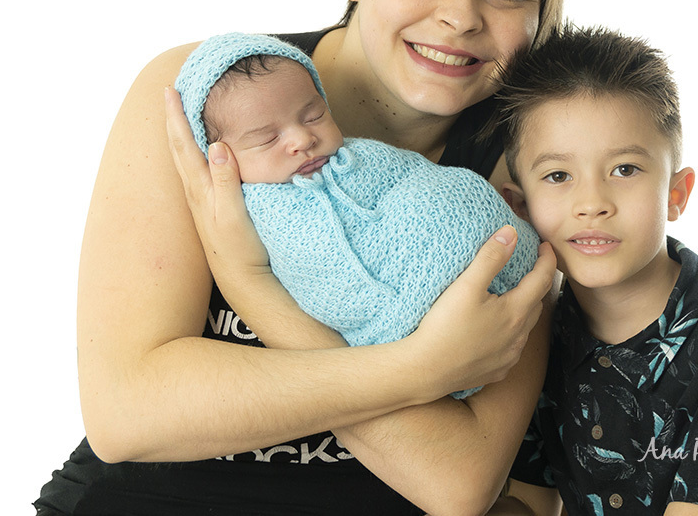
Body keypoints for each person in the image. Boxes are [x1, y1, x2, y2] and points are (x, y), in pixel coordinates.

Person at [34, 0, 568, 516]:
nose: (459, 17)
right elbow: (125, 411)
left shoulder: (526, 178)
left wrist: (252, 286)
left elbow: (456, 482)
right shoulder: (205, 93)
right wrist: (420, 370)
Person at [487, 27, 698, 516]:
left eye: (625, 169)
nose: (592, 203)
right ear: (519, 206)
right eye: (558, 176)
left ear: (675, 194)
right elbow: (531, 501)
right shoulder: (541, 333)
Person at [175, 31, 540, 397]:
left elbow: (418, 175)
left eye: (313, 116)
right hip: (410, 320)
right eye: (267, 139)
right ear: (218, 156)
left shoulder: (359, 155)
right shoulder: (259, 211)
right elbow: (323, 283)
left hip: (490, 249)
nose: (302, 139)